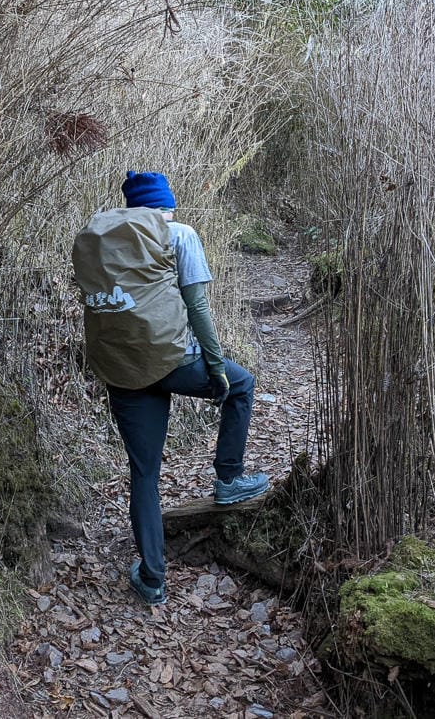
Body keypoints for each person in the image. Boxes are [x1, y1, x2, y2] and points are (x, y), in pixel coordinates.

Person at [100, 171, 269, 606]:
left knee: (145, 474)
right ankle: (229, 478)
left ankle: (153, 579)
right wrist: (216, 368)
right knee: (244, 384)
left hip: (123, 368)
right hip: (175, 361)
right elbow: (197, 308)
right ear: (165, 204)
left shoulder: (108, 241)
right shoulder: (178, 234)